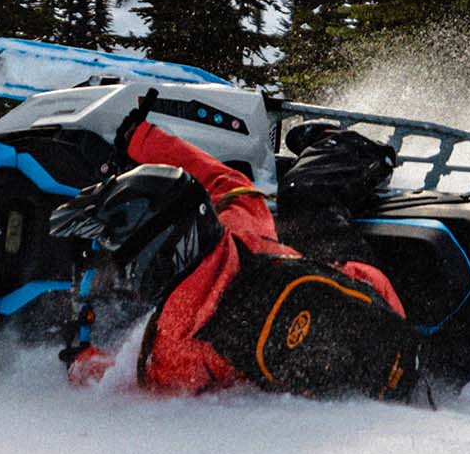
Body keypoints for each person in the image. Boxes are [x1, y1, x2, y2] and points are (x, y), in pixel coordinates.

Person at [50, 113, 421, 402]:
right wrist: (143, 138)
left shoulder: (177, 346)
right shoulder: (239, 230)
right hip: (373, 297)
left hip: (373, 323)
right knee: (304, 199)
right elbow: (224, 181)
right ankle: (341, 147)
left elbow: (127, 384)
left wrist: (81, 360)